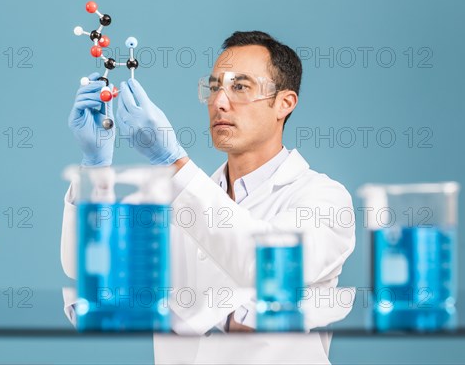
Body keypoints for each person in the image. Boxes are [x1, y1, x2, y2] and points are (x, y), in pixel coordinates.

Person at [61, 31, 356, 364]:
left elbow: (264, 265)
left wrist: (172, 163)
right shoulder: (173, 197)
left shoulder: (324, 200)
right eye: (215, 87)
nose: (219, 101)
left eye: (240, 87)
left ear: (284, 103)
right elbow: (90, 273)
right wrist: (95, 171)